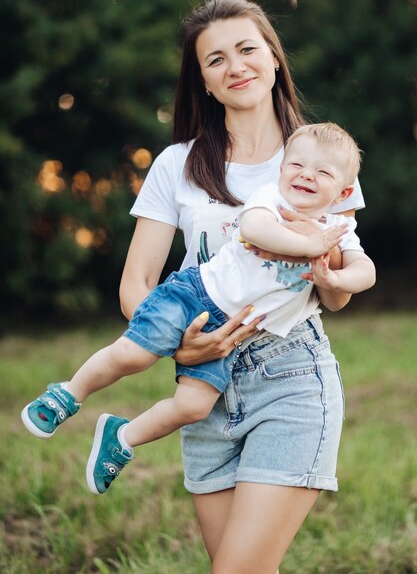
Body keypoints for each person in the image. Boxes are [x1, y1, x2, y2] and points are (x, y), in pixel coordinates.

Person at [21, 122, 375, 498]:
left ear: (344, 191)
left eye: (322, 172)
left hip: (234, 335)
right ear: (282, 168)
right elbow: (256, 229)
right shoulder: (271, 199)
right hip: (196, 296)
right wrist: (310, 243)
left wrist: (338, 280)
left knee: (192, 406)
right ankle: (68, 394)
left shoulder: (338, 227)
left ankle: (122, 437)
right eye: (296, 165)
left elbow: (364, 269)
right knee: (135, 353)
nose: (306, 175)